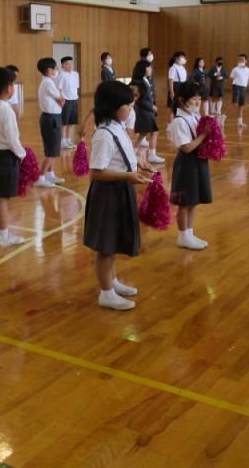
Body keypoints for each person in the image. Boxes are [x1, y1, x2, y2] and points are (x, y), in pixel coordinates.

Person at [84, 81, 152, 310]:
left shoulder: (117, 126)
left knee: (112, 242)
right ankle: (106, 293)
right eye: (128, 106)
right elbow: (96, 173)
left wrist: (138, 162)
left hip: (120, 189)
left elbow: (121, 154)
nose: (131, 110)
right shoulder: (104, 134)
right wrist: (127, 175)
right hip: (108, 194)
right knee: (105, 247)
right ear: (112, 106)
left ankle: (111, 281)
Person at [0, 67, 27, 246]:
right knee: (3, 199)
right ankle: (3, 236)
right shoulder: (7, 111)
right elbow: (12, 139)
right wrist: (22, 154)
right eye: (13, 85)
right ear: (9, 88)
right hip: (5, 157)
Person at [167, 81, 212, 250]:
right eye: (194, 99)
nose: (198, 102)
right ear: (181, 100)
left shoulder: (194, 116)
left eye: (199, 98)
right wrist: (204, 135)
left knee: (193, 201)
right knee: (184, 203)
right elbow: (186, 148)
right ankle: (182, 236)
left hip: (198, 162)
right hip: (186, 164)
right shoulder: (179, 121)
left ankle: (190, 234)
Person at [35, 57, 65, 188]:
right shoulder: (48, 83)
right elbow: (61, 100)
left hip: (50, 117)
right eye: (55, 68)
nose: (56, 70)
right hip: (51, 118)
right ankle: (41, 177)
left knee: (52, 148)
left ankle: (50, 174)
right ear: (48, 70)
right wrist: (62, 100)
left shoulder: (46, 82)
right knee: (52, 151)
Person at [131, 56, 164, 164]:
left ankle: (132, 152)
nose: (151, 69)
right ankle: (152, 155)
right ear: (143, 69)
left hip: (146, 111)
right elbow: (139, 100)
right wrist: (151, 107)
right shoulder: (139, 82)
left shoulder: (145, 80)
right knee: (154, 131)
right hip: (143, 111)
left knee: (143, 133)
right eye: (149, 67)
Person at [57, 56, 80, 149]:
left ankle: (68, 139)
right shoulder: (61, 75)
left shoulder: (76, 74)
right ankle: (63, 141)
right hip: (66, 101)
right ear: (62, 66)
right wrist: (61, 100)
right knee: (64, 122)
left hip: (74, 100)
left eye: (71, 63)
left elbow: (76, 87)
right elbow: (59, 89)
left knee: (72, 122)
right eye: (67, 64)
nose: (69, 65)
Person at [228, 54, 249, 128]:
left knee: (241, 105)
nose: (240, 60)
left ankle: (240, 122)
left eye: (242, 59)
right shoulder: (235, 69)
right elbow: (231, 79)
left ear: (246, 61)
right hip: (236, 86)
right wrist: (232, 88)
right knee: (234, 104)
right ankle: (223, 117)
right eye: (239, 59)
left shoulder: (248, 70)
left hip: (243, 88)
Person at [166, 51, 188, 123]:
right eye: (182, 57)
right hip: (176, 88)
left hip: (182, 87)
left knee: (180, 106)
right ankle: (170, 124)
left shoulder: (182, 67)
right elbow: (171, 80)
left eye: (184, 58)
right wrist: (172, 92)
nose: (184, 59)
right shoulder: (173, 68)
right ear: (176, 58)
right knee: (173, 107)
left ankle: (178, 122)